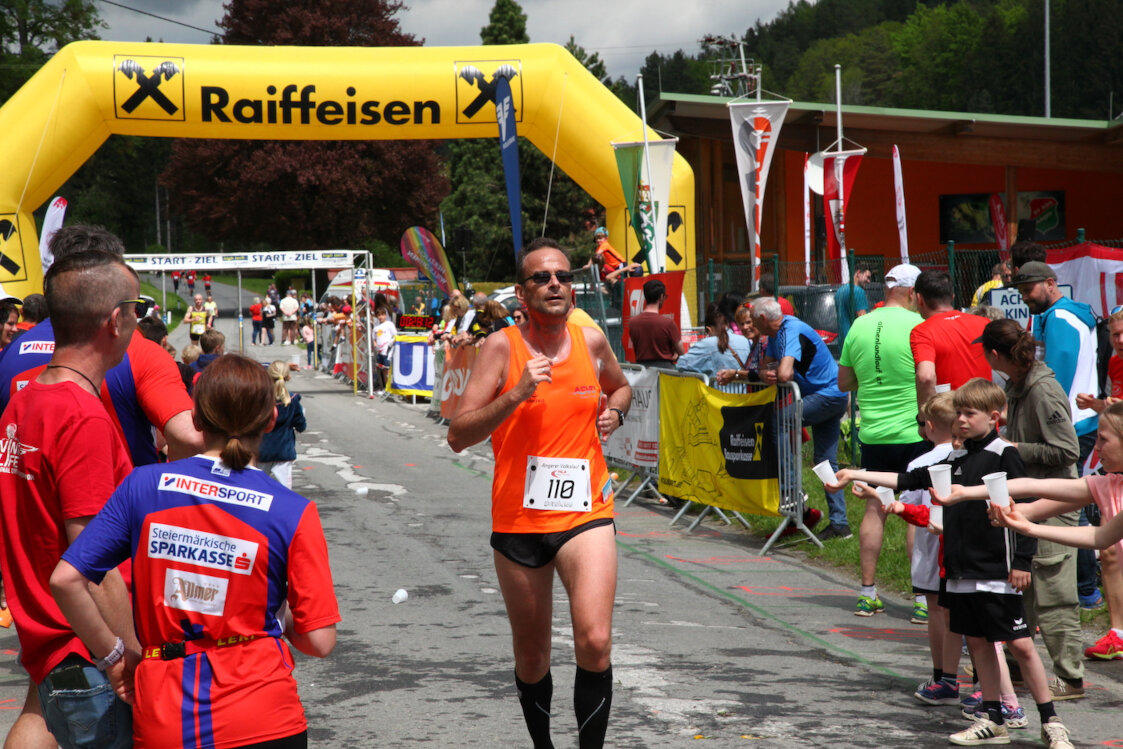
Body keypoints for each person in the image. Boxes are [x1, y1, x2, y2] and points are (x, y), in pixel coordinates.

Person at [51, 354, 338, 749]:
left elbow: (65, 581)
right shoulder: (293, 510)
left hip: (167, 715)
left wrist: (112, 656)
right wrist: (277, 611)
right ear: (271, 420)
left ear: (197, 419)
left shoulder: (143, 485)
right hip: (265, 714)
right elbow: (319, 641)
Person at [447, 237, 631, 749]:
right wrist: (517, 393)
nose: (555, 284)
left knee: (595, 640)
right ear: (522, 292)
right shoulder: (501, 346)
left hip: (585, 513)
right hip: (519, 519)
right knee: (532, 656)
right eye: (542, 277)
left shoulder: (591, 341)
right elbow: (458, 435)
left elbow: (620, 386)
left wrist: (616, 411)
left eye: (563, 276)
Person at [831, 379, 1075, 749]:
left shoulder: (1004, 454)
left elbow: (1024, 508)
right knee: (978, 645)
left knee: (1021, 646)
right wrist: (854, 473)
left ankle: (1051, 720)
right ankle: (993, 719)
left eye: (969, 413)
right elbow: (906, 478)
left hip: (995, 570)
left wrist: (1022, 560)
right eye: (958, 413)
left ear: (993, 417)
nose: (960, 420)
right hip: (960, 570)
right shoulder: (955, 458)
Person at [0, 249, 141, 749]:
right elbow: (93, 561)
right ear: (114, 321)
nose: (139, 320)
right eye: (138, 308)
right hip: (87, 643)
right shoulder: (81, 418)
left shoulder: (25, 398)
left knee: (37, 717)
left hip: (46, 630)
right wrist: (127, 653)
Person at [0, 225, 202, 467]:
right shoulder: (141, 352)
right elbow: (190, 438)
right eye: (135, 306)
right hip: (117, 487)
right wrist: (153, 482)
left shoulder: (10, 350)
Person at [979, 317, 1085, 702]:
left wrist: (1014, 448)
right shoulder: (1018, 384)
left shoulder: (1042, 389)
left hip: (1055, 500)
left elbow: (1067, 450)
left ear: (995, 354)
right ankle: (1016, 666)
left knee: (1053, 591)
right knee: (1021, 584)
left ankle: (1070, 677)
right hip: (1029, 497)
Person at [837, 263, 927, 617]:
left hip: (873, 433)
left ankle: (867, 592)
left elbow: (844, 383)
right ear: (912, 292)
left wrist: (873, 379)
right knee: (918, 512)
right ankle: (922, 600)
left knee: (874, 509)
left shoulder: (859, 325)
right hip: (914, 432)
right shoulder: (918, 324)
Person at [753, 297, 851, 539]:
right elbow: (767, 367)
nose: (752, 325)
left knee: (779, 422)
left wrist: (773, 373)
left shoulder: (790, 329)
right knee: (824, 461)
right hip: (830, 394)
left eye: (754, 320)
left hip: (828, 394)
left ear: (763, 318)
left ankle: (791, 495)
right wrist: (764, 373)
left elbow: (784, 374)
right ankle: (840, 524)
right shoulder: (775, 335)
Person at [1075, 307, 1123, 657]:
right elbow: (1113, 413)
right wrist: (1097, 405)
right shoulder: (1115, 363)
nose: (1119, 340)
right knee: (1108, 550)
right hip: (1116, 469)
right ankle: (1117, 632)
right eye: (1114, 334)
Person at [910, 270, 990, 408]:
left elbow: (926, 377)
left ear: (919, 298)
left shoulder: (922, 332)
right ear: (952, 297)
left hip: (951, 415)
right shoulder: (984, 323)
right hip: (986, 412)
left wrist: (925, 417)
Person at [258, 358, 308, 489]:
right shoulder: (292, 400)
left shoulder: (259, 400)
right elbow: (301, 426)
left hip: (261, 451)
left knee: (258, 488)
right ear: (287, 377)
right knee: (285, 490)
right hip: (284, 451)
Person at [675, 304, 749, 378]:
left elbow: (682, 364)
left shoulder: (707, 344)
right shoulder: (747, 341)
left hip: (717, 385)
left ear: (709, 329)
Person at [629, 279, 683, 369]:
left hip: (642, 370)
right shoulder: (668, 323)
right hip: (664, 371)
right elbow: (682, 352)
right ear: (661, 296)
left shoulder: (632, 322)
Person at [834, 262, 871, 347]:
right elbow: (863, 319)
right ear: (858, 273)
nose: (869, 281)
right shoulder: (858, 291)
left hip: (843, 342)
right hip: (856, 342)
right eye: (867, 277)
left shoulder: (840, 291)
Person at [373, 307, 397, 391]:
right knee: (382, 369)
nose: (380, 317)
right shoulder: (376, 327)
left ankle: (389, 387)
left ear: (385, 315)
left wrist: (389, 344)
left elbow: (395, 335)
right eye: (379, 315)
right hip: (379, 351)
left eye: (382, 315)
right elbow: (374, 338)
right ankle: (385, 388)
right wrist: (375, 345)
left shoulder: (389, 324)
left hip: (387, 351)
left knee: (387, 369)